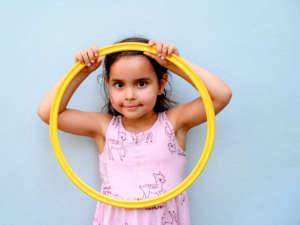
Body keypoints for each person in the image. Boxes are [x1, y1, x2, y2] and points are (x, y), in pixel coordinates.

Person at [37, 36, 232, 225]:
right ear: (108, 86)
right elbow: (48, 113)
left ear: (160, 84)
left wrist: (175, 64)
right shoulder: (104, 128)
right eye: (119, 85)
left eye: (141, 83)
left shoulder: (174, 123)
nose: (130, 95)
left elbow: (221, 95)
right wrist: (80, 72)